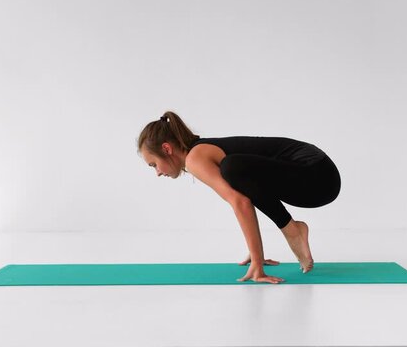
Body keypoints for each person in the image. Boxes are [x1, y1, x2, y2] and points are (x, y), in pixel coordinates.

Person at [137, 111, 341, 284]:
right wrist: (256, 255)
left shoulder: (194, 158)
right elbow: (246, 195)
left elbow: (240, 203)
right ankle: (293, 230)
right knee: (235, 172)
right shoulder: (199, 154)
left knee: (232, 168)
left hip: (316, 175)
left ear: (166, 149)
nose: (157, 172)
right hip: (319, 178)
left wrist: (257, 264)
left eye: (153, 164)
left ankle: (293, 230)